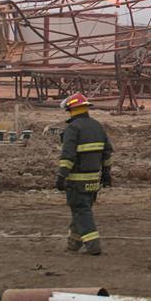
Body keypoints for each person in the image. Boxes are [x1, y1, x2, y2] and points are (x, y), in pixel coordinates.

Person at [56, 93, 113, 255]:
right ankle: (74, 243)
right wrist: (106, 174)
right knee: (81, 209)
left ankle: (93, 244)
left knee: (81, 210)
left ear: (71, 110)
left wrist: (61, 176)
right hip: (94, 180)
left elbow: (67, 156)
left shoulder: (73, 128)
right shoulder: (97, 126)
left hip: (77, 180)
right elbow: (107, 153)